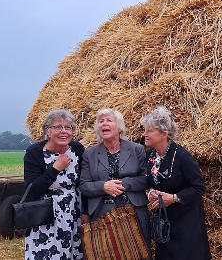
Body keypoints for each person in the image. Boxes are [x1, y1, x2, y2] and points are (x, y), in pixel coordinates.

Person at [141, 107, 211, 260]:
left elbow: (199, 187)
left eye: (149, 131)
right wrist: (151, 192)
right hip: (165, 220)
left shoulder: (182, 157)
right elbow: (151, 181)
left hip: (186, 220)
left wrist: (173, 198)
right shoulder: (151, 155)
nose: (144, 134)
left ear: (164, 134)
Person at [80, 108, 151, 251]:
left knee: (138, 252)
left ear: (119, 128)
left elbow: (146, 180)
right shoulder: (90, 154)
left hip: (133, 210)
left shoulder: (136, 149)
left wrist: (124, 184)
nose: (104, 124)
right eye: (101, 121)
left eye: (109, 120)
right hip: (102, 213)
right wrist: (104, 186)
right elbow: (84, 185)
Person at [23, 109, 88, 260]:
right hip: (46, 213)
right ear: (47, 131)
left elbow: (83, 183)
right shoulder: (35, 152)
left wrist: (85, 210)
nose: (63, 131)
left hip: (74, 212)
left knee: (74, 253)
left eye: (68, 127)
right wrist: (55, 169)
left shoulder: (77, 149)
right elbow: (32, 189)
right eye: (58, 127)